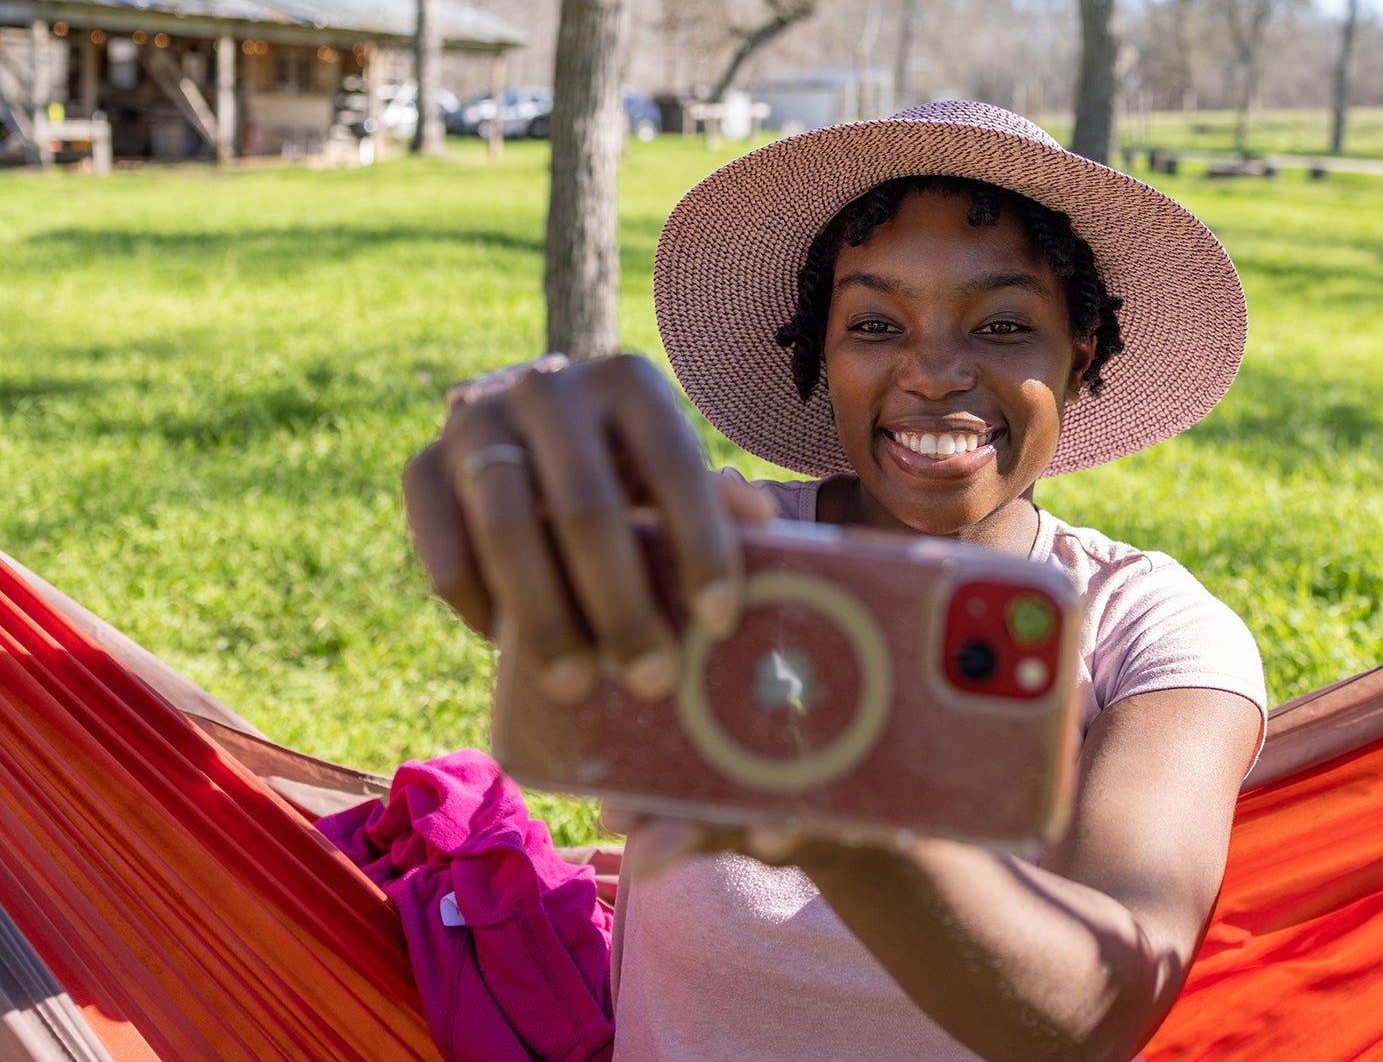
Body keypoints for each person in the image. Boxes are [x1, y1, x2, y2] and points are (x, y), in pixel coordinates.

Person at [403, 101, 1265, 1062]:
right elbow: (522, 557)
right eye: (876, 323)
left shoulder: (1152, 632)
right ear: (826, 350)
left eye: (1004, 323)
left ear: (1080, 354)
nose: (933, 371)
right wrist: (504, 467)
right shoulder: (724, 554)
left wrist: (827, 800)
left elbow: (1099, 1006)